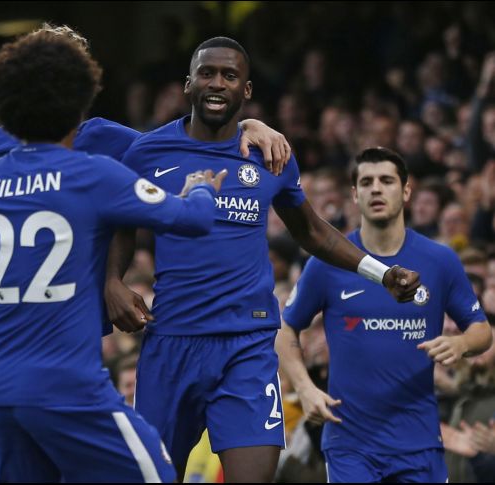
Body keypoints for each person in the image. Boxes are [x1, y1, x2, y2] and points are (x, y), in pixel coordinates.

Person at [0, 23, 295, 467]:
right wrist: (199, 188)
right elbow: (191, 202)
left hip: (1, 366)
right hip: (68, 367)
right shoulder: (94, 169)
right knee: (150, 471)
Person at [104, 37, 421, 482]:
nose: (217, 83)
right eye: (207, 74)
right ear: (188, 85)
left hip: (247, 345)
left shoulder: (270, 155)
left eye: (230, 76)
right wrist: (111, 281)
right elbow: (120, 224)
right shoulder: (147, 153)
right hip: (171, 341)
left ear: (246, 91)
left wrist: (381, 272)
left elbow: (311, 230)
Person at [278, 147, 493, 483]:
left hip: (419, 442)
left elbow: (482, 330)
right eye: (366, 182)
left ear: (406, 191)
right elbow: (286, 329)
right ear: (354, 194)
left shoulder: (440, 260)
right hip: (351, 445)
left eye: (386, 180)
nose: (376, 188)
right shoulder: (327, 262)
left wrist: (462, 344)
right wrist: (304, 387)